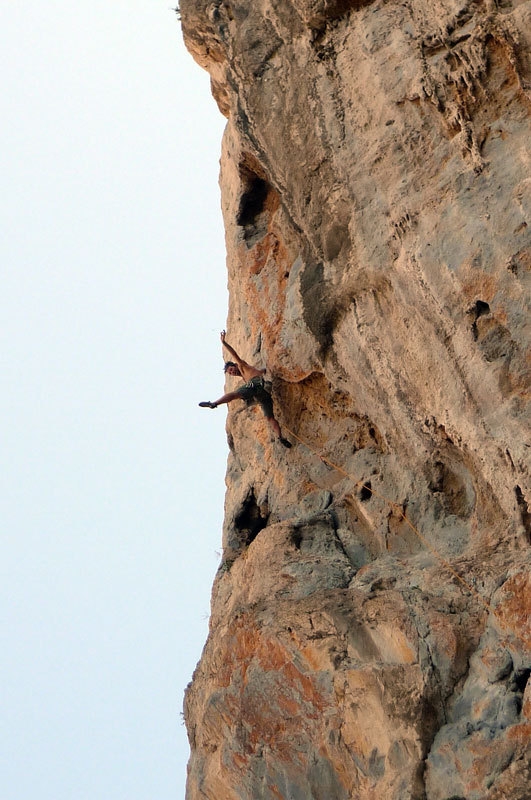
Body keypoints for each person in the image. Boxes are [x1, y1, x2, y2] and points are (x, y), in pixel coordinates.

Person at [199, 331, 292, 448]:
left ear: (235, 365)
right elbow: (261, 371)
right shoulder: (245, 378)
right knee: (270, 418)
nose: (233, 372)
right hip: (263, 394)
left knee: (234, 394)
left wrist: (224, 343)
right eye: (231, 373)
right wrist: (263, 371)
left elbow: (234, 354)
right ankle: (280, 437)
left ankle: (214, 403)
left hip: (257, 384)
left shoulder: (242, 366)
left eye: (231, 369)